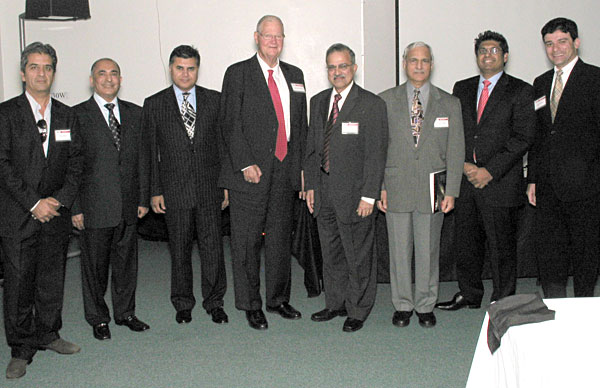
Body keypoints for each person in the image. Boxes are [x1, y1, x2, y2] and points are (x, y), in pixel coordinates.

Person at [435, 31, 536, 311]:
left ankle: (503, 299)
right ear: (476, 56)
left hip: (500, 181)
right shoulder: (462, 87)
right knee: (466, 244)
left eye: (493, 51)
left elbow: (523, 137)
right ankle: (469, 294)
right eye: (482, 50)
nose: (487, 55)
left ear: (505, 57)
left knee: (502, 246)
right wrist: (465, 165)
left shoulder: (521, 90)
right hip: (466, 180)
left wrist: (489, 171)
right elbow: (455, 132)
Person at [0, 42, 83, 379]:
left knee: (51, 278)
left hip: (56, 216)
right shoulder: (6, 114)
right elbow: (2, 165)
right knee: (19, 283)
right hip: (19, 214)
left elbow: (76, 165)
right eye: (34, 67)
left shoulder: (67, 115)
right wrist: (35, 202)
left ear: (54, 71)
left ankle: (48, 334)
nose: (41, 73)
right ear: (23, 73)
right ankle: (21, 348)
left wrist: (57, 201)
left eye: (47, 67)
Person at [219, 15, 308, 330]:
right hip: (250, 175)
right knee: (246, 242)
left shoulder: (295, 76)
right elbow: (229, 123)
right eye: (268, 36)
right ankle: (250, 304)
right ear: (256, 37)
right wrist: (244, 163)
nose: (274, 41)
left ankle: (278, 299)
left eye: (279, 36)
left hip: (284, 174)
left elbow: (300, 127)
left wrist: (300, 170)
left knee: (281, 240)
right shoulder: (238, 73)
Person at [378, 42, 464, 328]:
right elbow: (377, 150)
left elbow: (456, 149)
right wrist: (379, 187)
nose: (418, 65)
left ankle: (425, 304)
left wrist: (451, 189)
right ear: (404, 63)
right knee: (399, 250)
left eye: (424, 61)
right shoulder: (385, 101)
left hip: (433, 190)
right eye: (413, 60)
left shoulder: (449, 103)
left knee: (428, 250)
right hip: (395, 185)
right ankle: (403, 305)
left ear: (431, 64)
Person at [141, 45, 228, 324]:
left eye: (191, 68)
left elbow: (223, 147)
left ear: (197, 70)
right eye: (180, 67)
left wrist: (226, 184)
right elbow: (149, 153)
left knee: (212, 247)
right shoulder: (154, 104)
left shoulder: (214, 100)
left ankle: (215, 302)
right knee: (179, 249)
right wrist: (154, 190)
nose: (185, 73)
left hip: (209, 188)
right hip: (174, 190)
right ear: (171, 69)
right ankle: (182, 303)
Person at [304, 43, 388, 332]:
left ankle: (358, 308)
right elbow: (311, 150)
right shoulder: (317, 102)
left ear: (354, 68)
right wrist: (311, 186)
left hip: (356, 195)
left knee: (358, 255)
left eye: (343, 66)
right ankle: (335, 303)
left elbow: (376, 154)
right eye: (332, 67)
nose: (337, 72)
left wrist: (369, 195)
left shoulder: (371, 103)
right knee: (331, 253)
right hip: (324, 193)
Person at [72, 58, 150, 340]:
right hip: (93, 207)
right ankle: (98, 318)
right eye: (101, 74)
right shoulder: (76, 115)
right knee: (94, 267)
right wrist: (75, 207)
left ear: (120, 79)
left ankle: (126, 313)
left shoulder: (135, 114)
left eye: (113, 74)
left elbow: (143, 159)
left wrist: (142, 198)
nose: (108, 79)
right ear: (92, 80)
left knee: (127, 263)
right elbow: (73, 166)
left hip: (129, 205)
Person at [527, 17, 600, 298]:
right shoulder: (541, 82)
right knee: (550, 250)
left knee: (585, 250)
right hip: (547, 185)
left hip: (586, 184)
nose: (555, 49)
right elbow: (540, 135)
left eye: (562, 41)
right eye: (549, 43)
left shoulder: (594, 79)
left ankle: (583, 307)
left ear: (576, 43)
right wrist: (532, 178)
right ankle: (554, 307)